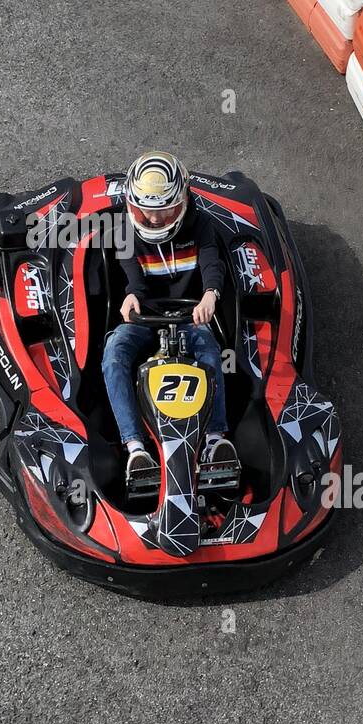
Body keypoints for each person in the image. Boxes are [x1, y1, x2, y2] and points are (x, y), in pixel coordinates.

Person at [101, 151, 239, 487]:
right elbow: (132, 278)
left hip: (191, 316)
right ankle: (136, 447)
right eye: (146, 212)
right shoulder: (125, 231)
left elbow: (212, 265)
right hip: (144, 317)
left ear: (180, 203)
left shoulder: (202, 224)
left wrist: (210, 296)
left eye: (163, 211)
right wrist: (132, 296)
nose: (153, 220)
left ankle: (214, 440)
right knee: (114, 351)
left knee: (208, 347)